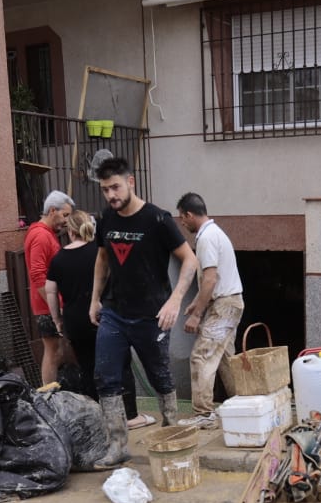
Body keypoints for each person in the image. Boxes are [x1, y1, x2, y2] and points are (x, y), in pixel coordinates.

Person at [88, 156, 197, 466]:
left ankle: (171, 435)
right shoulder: (106, 219)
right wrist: (95, 300)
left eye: (116, 187)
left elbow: (190, 261)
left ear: (131, 182)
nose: (111, 195)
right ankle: (118, 445)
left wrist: (174, 300)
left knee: (160, 376)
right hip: (114, 313)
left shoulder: (157, 219)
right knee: (106, 377)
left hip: (152, 316)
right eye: (105, 189)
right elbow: (102, 260)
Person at [43, 211, 154, 430]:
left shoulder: (59, 258)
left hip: (75, 321)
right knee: (121, 364)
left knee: (88, 367)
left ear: (70, 231)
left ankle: (96, 417)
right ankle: (130, 416)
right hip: (105, 317)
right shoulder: (100, 252)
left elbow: (50, 291)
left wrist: (57, 320)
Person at [174, 193, 244, 430]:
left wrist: (196, 315)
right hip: (230, 302)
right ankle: (242, 405)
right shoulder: (216, 233)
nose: (182, 224)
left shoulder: (206, 238)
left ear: (189, 215)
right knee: (225, 358)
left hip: (224, 304)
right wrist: (197, 301)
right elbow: (213, 279)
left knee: (201, 356)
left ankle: (204, 413)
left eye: (182, 219)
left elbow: (211, 279)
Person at [25, 190, 74, 386]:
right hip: (48, 306)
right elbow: (38, 275)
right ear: (53, 210)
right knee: (53, 352)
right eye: (65, 215)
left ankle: (50, 394)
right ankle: (48, 396)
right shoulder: (40, 236)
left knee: (56, 351)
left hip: (50, 304)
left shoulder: (45, 234)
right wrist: (56, 307)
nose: (66, 221)